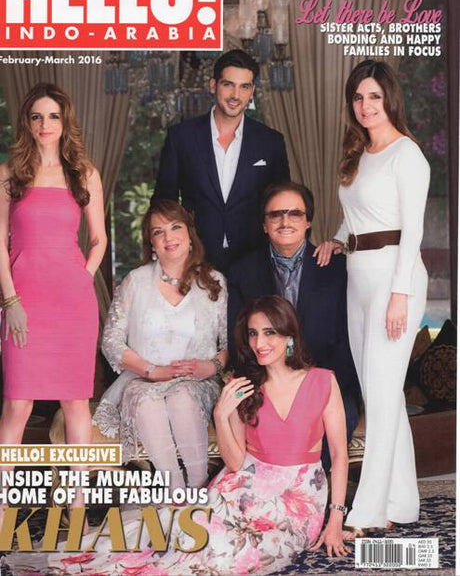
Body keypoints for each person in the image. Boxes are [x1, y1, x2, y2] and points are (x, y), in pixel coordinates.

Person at [51, 296, 350, 574]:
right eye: (253, 334)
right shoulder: (242, 386)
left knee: (225, 553)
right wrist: (222, 414)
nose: (259, 343)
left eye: (269, 333)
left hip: (297, 501)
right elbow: (235, 463)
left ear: (289, 335)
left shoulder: (323, 381)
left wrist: (335, 519)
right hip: (245, 488)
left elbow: (338, 455)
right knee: (187, 534)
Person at [315, 60, 430, 533]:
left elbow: (412, 231)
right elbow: (358, 216)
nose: (365, 106)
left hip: (394, 280)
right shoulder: (358, 153)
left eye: (374, 97)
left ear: (390, 100)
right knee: (381, 394)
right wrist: (337, 239)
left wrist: (400, 295)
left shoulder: (408, 155)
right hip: (358, 278)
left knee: (381, 397)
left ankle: (365, 512)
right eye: (358, 98)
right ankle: (402, 503)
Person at [0, 82, 106, 513]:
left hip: (73, 305)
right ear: (27, 122)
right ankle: (2, 506)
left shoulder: (85, 174)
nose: (46, 124)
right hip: (23, 303)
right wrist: (11, 302)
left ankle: (77, 505)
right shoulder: (9, 174)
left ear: (65, 122)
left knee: (76, 403)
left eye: (54, 116)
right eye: (37, 116)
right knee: (17, 404)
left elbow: (98, 239)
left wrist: (83, 278)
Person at [93, 199, 227, 490]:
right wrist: (152, 371)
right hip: (143, 379)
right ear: (151, 243)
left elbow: (230, 344)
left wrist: (211, 366)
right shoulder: (135, 281)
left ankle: (199, 487)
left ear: (190, 235)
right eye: (158, 231)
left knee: (182, 398)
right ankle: (174, 491)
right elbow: (111, 341)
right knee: (147, 402)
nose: (168, 237)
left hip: (196, 381)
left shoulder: (214, 282)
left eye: (175, 227)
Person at [227, 182, 360, 469]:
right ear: (264, 225)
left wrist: (320, 383)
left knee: (345, 412)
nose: (285, 221)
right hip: (264, 380)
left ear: (308, 221)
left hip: (324, 377)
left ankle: (315, 489)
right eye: (275, 215)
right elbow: (237, 337)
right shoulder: (242, 271)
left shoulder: (337, 269)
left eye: (295, 214)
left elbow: (346, 337)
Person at [152, 49, 290, 273]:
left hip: (256, 262)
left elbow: (283, 205)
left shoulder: (270, 142)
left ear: (252, 92)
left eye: (244, 87)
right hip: (196, 260)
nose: (236, 95)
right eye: (228, 85)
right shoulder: (181, 138)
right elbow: (163, 202)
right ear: (213, 85)